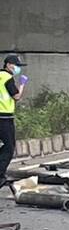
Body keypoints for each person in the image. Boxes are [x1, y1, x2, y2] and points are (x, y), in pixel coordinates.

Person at [0, 54, 27, 186]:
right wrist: (22, 84)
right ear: (9, 64)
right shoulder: (7, 78)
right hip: (4, 117)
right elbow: (16, 96)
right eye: (16, 65)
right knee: (9, 147)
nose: (17, 68)